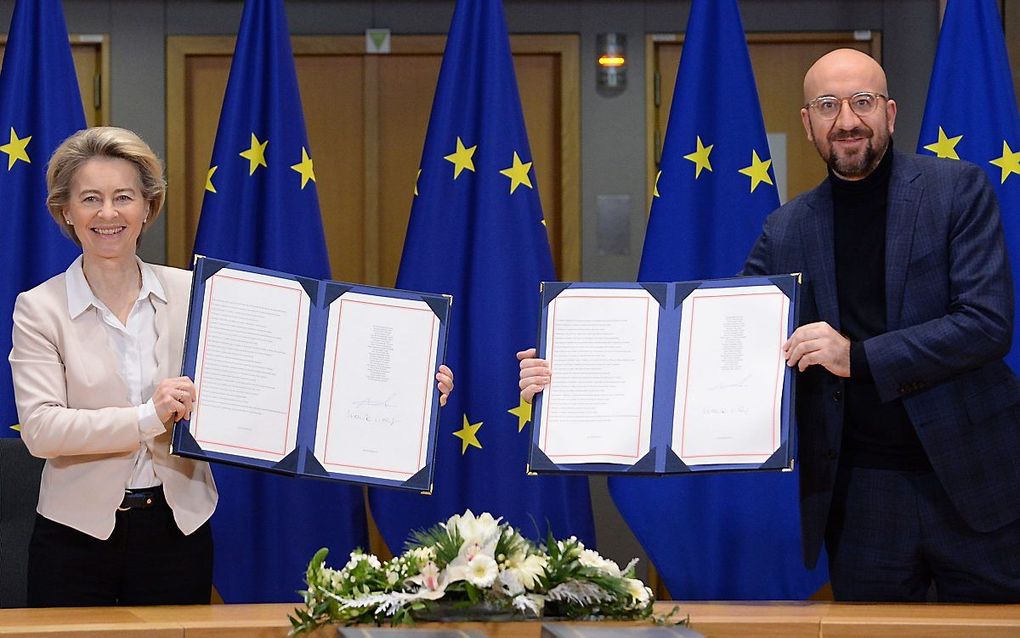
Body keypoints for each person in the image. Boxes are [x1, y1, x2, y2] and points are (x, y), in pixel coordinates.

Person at [520, 49, 1020, 602]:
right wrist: (571, 379)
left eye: (863, 102)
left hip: (976, 482)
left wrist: (857, 356)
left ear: (890, 113)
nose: (847, 120)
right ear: (808, 123)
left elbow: (986, 323)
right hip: (862, 497)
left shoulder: (957, 191)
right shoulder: (787, 228)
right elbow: (706, 341)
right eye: (828, 105)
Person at [10, 127, 455, 607]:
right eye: (90, 199)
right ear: (66, 211)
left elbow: (298, 370)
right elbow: (42, 430)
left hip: (178, 528)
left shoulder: (201, 292)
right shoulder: (39, 308)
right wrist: (148, 416)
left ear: (147, 208)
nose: (108, 213)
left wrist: (410, 387)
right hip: (74, 536)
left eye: (124, 197)